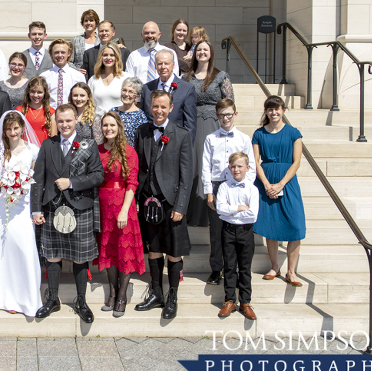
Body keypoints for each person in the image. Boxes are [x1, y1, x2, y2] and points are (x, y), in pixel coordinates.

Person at [32, 103, 105, 323]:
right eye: (60, 121)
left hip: (79, 208)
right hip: (52, 208)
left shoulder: (88, 144)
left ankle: (81, 300)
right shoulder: (48, 144)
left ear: (76, 121)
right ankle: (53, 298)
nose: (64, 125)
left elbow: (98, 176)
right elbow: (38, 179)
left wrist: (72, 182)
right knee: (52, 255)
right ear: (56, 122)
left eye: (68, 120)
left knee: (79, 258)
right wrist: (36, 209)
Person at [134, 90, 193, 320]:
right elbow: (140, 166)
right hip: (149, 203)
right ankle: (156, 293)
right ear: (150, 106)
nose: (158, 111)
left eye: (163, 107)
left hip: (171, 203)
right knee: (154, 250)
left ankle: (172, 297)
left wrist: (180, 206)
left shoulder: (181, 134)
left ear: (170, 108)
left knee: (174, 254)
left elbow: (186, 175)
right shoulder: (143, 131)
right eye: (155, 106)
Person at [0, 111, 43, 316]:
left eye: (16, 128)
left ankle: (26, 298)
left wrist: (23, 184)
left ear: (22, 128)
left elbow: (37, 179)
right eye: (8, 129)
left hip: (24, 206)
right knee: (3, 249)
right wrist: (6, 183)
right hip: (4, 206)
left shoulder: (33, 150)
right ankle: (1, 297)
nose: (12, 132)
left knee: (24, 247)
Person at [252, 95, 306, 287]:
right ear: (266, 111)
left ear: (283, 110)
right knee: (270, 225)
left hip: (287, 182)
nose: (274, 112)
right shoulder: (259, 134)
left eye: (277, 109)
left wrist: (281, 184)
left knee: (296, 225)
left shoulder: (293, 133)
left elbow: (297, 162)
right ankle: (275, 267)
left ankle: (291, 271)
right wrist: (266, 184)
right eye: (270, 109)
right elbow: (255, 162)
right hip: (265, 181)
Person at [200, 99, 255, 286]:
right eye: (222, 115)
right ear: (217, 116)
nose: (226, 118)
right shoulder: (211, 138)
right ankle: (216, 269)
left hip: (236, 185)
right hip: (216, 186)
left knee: (237, 229)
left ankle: (238, 268)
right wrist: (209, 191)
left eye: (229, 114)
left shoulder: (244, 139)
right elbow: (205, 166)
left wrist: (244, 188)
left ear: (235, 114)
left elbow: (252, 167)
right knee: (216, 231)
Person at [96, 112, 144, 318]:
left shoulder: (128, 150)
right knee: (109, 250)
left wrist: (124, 209)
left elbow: (132, 183)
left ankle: (122, 296)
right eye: (105, 125)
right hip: (103, 206)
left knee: (124, 251)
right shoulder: (97, 150)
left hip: (123, 205)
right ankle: (112, 292)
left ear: (119, 127)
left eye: (112, 125)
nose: (108, 128)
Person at [184, 40, 234, 227]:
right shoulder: (186, 77)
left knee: (213, 163)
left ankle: (212, 209)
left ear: (211, 53)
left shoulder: (221, 76)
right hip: (193, 125)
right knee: (196, 165)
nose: (202, 52)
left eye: (205, 49)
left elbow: (229, 103)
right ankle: (194, 213)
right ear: (194, 53)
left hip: (215, 123)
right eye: (199, 50)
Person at [216, 152, 259, 321]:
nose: (236, 169)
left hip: (246, 231)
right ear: (229, 168)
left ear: (247, 168)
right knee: (229, 266)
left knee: (245, 267)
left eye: (240, 166)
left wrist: (231, 209)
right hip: (227, 230)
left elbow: (253, 215)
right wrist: (240, 208)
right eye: (233, 166)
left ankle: (245, 302)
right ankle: (229, 300)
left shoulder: (252, 189)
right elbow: (220, 210)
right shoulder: (223, 187)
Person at [140, 49, 197, 141]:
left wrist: (187, 148)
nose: (163, 67)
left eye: (166, 63)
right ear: (155, 65)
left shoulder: (186, 89)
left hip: (176, 142)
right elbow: (143, 119)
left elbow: (190, 124)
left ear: (173, 65)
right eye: (159, 64)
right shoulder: (147, 88)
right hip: (151, 141)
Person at [40, 39, 86, 109]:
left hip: (71, 115)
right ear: (51, 54)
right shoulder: (44, 76)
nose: (60, 55)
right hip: (50, 115)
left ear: (69, 53)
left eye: (63, 52)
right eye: (56, 52)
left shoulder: (78, 76)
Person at [87, 42, 132, 112]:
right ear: (100, 57)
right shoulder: (93, 79)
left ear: (116, 57)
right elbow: (90, 104)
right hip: (98, 121)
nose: (108, 58)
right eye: (105, 55)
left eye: (112, 55)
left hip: (120, 120)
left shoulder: (126, 78)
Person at [17, 76, 56, 144]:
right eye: (32, 92)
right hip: (25, 149)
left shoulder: (51, 112)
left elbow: (54, 138)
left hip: (43, 150)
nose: (35, 95)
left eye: (39, 92)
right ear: (28, 92)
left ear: (45, 93)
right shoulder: (20, 110)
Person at [110, 77, 147, 144]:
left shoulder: (140, 116)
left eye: (130, 92)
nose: (126, 94)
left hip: (130, 152)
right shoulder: (113, 111)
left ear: (137, 97)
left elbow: (142, 141)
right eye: (124, 90)